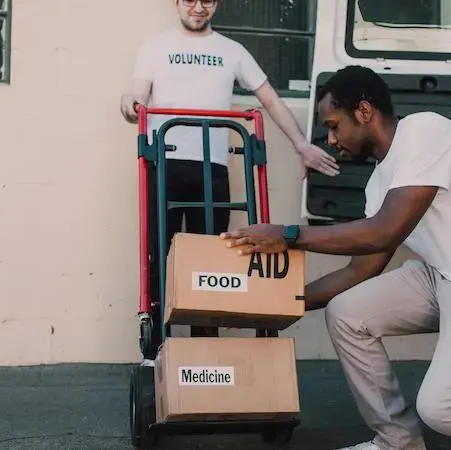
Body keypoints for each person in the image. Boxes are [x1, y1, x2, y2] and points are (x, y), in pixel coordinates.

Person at [219, 65, 451, 450]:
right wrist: (272, 306)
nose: (330, 140)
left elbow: (386, 230)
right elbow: (361, 269)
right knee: (348, 313)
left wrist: (290, 235)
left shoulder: (425, 132)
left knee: (444, 408)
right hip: (445, 276)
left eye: (334, 125)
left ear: (363, 112)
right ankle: (398, 442)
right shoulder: (380, 183)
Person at [120, 0, 339, 337]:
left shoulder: (231, 50)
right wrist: (130, 104)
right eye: (190, 0)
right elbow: (136, 95)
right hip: (164, 163)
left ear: (216, 4)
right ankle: (157, 346)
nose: (198, 7)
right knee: (159, 254)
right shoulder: (155, 46)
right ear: (177, 3)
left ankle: (205, 343)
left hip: (211, 167)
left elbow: (269, 99)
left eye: (206, 0)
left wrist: (301, 145)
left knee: (209, 257)